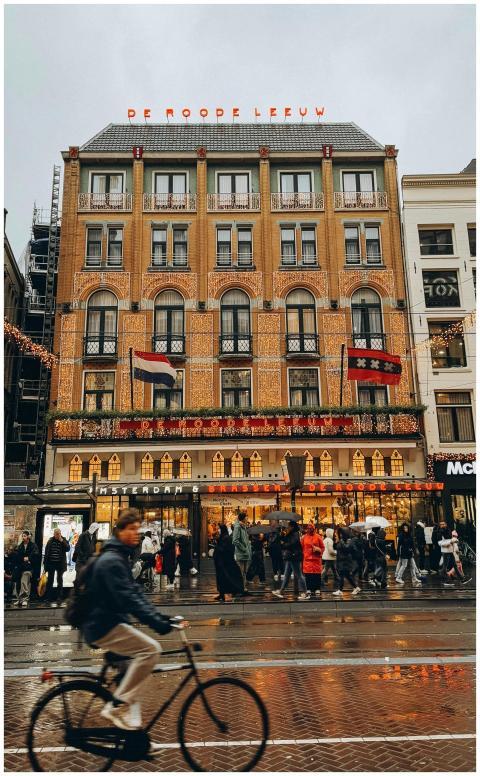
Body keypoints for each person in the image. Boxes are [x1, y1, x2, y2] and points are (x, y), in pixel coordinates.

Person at [81, 508, 177, 735]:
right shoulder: (113, 560)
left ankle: (136, 737)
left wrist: (161, 616)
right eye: (132, 529)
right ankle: (115, 707)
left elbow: (136, 593)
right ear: (120, 530)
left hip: (107, 622)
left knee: (131, 676)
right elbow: (131, 599)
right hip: (104, 625)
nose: (136, 533)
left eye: (138, 529)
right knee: (151, 650)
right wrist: (158, 623)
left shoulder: (118, 555)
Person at [272, 521, 309, 600]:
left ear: (292, 527)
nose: (287, 527)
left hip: (294, 556)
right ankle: (281, 591)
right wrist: (282, 536)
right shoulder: (291, 533)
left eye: (289, 526)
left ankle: (305, 593)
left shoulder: (295, 534)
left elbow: (292, 543)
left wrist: (283, 545)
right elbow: (287, 540)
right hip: (290, 556)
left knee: (299, 575)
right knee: (287, 575)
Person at [213, 524, 245, 601]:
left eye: (219, 529)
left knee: (224, 578)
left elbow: (225, 549)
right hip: (221, 562)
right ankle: (221, 594)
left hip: (225, 563)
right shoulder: (223, 537)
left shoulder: (226, 538)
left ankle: (226, 593)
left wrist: (217, 546)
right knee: (221, 578)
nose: (218, 530)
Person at [44, 528, 71, 604]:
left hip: (60, 564)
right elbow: (47, 552)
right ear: (54, 534)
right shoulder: (50, 541)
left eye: (58, 534)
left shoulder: (64, 540)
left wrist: (62, 541)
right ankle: (49, 597)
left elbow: (68, 549)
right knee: (50, 581)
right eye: (56, 534)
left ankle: (59, 597)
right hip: (51, 564)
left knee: (60, 580)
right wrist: (45, 564)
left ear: (60, 533)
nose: (57, 535)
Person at [12, 531, 39, 607]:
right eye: (22, 536)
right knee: (18, 583)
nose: (23, 537)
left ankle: (25, 599)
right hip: (20, 567)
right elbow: (16, 555)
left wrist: (29, 559)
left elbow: (36, 554)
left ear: (28, 537)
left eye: (24, 536)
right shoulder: (20, 546)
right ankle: (19, 599)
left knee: (24, 582)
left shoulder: (33, 545)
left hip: (28, 568)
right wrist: (23, 558)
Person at [332, 528, 360, 596]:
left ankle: (340, 590)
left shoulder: (348, 541)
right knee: (347, 576)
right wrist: (336, 542)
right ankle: (356, 588)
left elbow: (346, 548)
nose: (336, 535)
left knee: (342, 575)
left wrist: (340, 541)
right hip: (341, 561)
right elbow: (335, 548)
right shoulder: (341, 541)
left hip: (345, 561)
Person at [395, 523, 422, 587]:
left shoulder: (409, 535)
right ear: (402, 529)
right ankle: (398, 577)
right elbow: (399, 545)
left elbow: (412, 544)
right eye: (404, 528)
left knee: (412, 565)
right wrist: (398, 552)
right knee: (404, 565)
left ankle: (414, 578)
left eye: (406, 528)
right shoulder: (401, 535)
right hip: (404, 552)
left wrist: (414, 550)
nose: (405, 529)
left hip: (409, 552)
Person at [301, 522, 324, 596]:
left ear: (314, 529)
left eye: (311, 528)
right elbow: (301, 547)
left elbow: (323, 547)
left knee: (316, 575)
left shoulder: (318, 537)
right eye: (309, 528)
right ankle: (309, 589)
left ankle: (317, 588)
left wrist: (319, 550)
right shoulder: (304, 537)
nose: (310, 530)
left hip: (316, 559)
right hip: (307, 559)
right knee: (308, 575)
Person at [232, 513, 252, 586]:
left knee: (244, 572)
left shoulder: (244, 527)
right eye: (246, 517)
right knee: (241, 572)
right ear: (243, 518)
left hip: (246, 554)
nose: (247, 519)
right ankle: (240, 588)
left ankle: (243, 588)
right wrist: (244, 549)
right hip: (241, 553)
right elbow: (235, 541)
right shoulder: (238, 527)